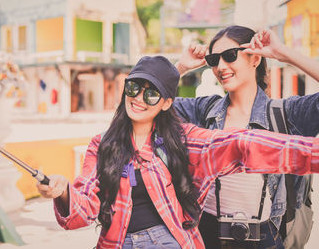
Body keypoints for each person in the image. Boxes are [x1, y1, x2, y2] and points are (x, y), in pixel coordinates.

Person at [37, 55, 319, 249]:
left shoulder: (183, 140)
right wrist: (62, 192)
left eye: (151, 93)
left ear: (167, 103)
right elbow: (82, 212)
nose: (138, 98)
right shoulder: (102, 144)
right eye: (134, 87)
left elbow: (242, 145)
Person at [173, 26, 319, 248]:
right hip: (206, 235)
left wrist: (283, 53)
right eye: (214, 59)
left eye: (230, 56)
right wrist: (181, 68)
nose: (221, 67)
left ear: (255, 59)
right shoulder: (204, 110)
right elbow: (142, 105)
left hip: (266, 238)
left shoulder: (286, 113)